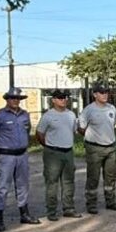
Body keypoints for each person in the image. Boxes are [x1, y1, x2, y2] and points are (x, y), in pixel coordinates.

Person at [0, 87, 41, 231]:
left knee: (23, 185)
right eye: (12, 98)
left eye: (18, 98)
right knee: (3, 187)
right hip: (6, 156)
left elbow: (27, 131)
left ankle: (24, 214)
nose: (15, 101)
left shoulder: (25, 115)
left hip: (22, 155)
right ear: (7, 100)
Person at [35, 89, 81, 220]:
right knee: (52, 182)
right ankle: (51, 211)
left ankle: (68, 208)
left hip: (68, 152)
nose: (64, 100)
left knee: (69, 182)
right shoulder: (48, 116)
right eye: (60, 97)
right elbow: (39, 133)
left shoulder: (71, 115)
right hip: (53, 153)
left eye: (65, 97)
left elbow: (73, 131)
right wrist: (49, 145)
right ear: (53, 100)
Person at [77, 82, 116, 214]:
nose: (105, 95)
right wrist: (92, 137)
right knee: (93, 177)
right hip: (94, 148)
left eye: (106, 92)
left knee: (110, 176)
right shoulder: (88, 110)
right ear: (95, 94)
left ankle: (111, 201)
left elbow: (113, 124)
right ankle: (91, 204)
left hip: (110, 147)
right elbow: (81, 128)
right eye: (102, 92)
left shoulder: (112, 109)